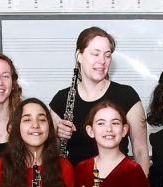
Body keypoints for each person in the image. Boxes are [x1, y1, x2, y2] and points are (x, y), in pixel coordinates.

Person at [50, 27, 150, 174]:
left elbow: (140, 150)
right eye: (95, 54)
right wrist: (57, 135)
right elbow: (50, 154)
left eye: (107, 55)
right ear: (79, 55)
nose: (102, 61)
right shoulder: (61, 100)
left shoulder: (127, 96)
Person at [71, 100, 153, 187]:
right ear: (91, 131)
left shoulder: (133, 170)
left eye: (115, 123)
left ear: (124, 130)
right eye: (101, 123)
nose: (108, 129)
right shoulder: (82, 168)